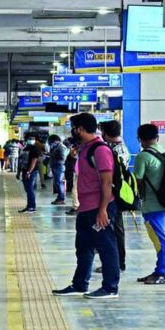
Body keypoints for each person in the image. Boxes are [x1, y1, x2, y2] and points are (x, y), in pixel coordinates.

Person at [52, 113, 120, 299]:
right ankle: (80, 284)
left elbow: (107, 182)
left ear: (80, 129)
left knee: (107, 247)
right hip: (86, 208)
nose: (72, 131)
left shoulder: (100, 150)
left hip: (99, 208)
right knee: (83, 247)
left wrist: (103, 210)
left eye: (73, 128)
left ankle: (110, 288)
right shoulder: (85, 148)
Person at [133, 123, 165, 285]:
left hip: (152, 205)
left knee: (160, 239)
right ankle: (161, 269)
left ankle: (164, 272)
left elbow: (138, 180)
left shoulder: (143, 156)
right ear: (158, 137)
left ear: (140, 139)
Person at [98, 120, 129, 273]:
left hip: (113, 194)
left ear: (106, 133)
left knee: (113, 230)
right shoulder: (122, 147)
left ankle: (116, 263)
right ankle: (117, 261)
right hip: (118, 193)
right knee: (116, 229)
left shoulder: (112, 151)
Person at [19, 137, 42, 213]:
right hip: (24, 171)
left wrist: (29, 172)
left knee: (29, 189)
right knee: (28, 189)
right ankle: (29, 206)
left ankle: (31, 207)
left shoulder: (35, 149)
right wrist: (19, 172)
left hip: (30, 172)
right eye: (29, 139)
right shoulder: (25, 148)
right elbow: (21, 160)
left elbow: (33, 161)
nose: (30, 140)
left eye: (31, 139)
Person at [48, 135, 68, 205]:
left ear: (55, 140)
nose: (50, 143)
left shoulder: (61, 147)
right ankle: (59, 197)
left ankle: (61, 198)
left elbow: (63, 157)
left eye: (51, 141)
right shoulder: (57, 146)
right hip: (56, 166)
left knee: (59, 182)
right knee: (57, 182)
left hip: (59, 166)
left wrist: (53, 155)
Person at [66, 142, 80, 215]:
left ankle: (76, 207)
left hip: (80, 172)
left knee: (75, 190)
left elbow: (72, 155)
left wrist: (72, 149)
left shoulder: (80, 146)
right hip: (83, 172)